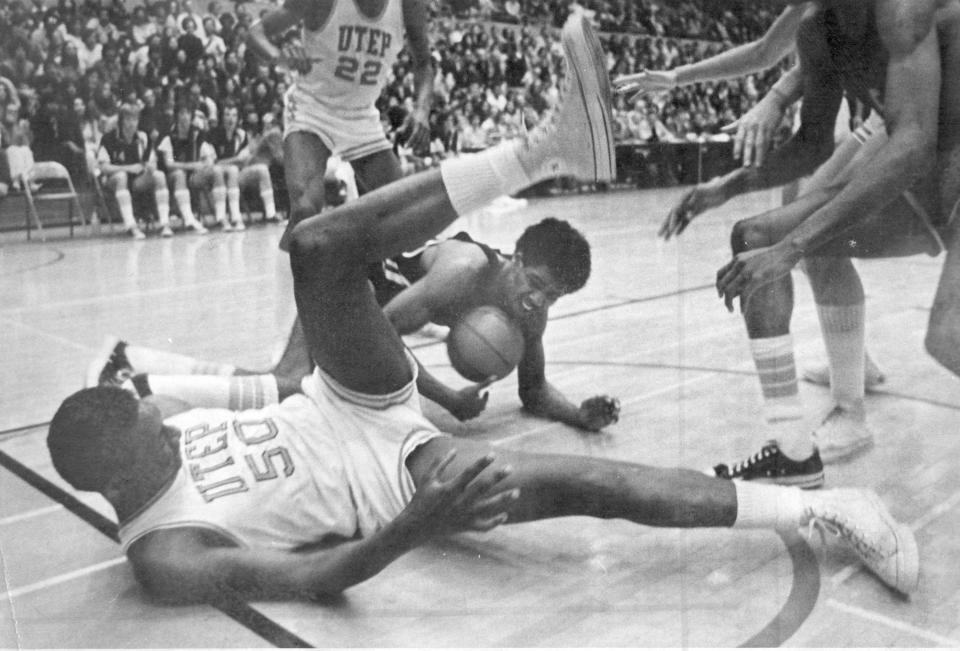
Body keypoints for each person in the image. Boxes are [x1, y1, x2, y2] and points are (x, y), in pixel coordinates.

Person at [49, 15, 915, 601]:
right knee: (589, 486)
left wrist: (151, 378)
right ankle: (824, 510)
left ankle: (549, 145)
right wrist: (411, 526)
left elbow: (263, 396)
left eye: (147, 411)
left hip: (343, 396)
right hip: (390, 482)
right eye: (148, 430)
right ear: (122, 476)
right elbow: (313, 580)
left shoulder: (141, 433)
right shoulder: (168, 555)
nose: (163, 427)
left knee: (311, 246)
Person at [657, 0, 960, 486]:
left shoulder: (904, 10)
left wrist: (794, 245)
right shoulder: (817, 28)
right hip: (929, 166)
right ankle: (794, 451)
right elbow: (812, 144)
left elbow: (913, 144)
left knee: (947, 337)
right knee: (756, 236)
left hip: (928, 158)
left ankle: (852, 385)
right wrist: (726, 187)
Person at [88, 219, 620, 430]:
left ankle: (134, 359)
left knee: (291, 383)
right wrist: (449, 400)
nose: (538, 300)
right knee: (293, 388)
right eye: (536, 282)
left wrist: (578, 415)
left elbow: (532, 390)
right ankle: (138, 381)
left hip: (367, 282)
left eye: (553, 295)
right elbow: (383, 335)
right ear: (517, 254)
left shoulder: (535, 311)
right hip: (343, 265)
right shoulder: (464, 271)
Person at [246, 0, 437, 379]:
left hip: (363, 118)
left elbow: (424, 63)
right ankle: (287, 329)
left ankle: (395, 297)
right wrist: (280, 58)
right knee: (306, 209)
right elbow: (256, 34)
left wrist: (421, 109)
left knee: (405, 218)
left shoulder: (407, 6)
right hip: (311, 110)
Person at [97, 103, 174, 239]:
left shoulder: (143, 137)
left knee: (159, 176)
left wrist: (151, 168)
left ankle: (164, 224)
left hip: (136, 179)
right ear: (121, 121)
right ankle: (131, 225)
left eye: (135, 119)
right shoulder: (108, 138)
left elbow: (151, 162)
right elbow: (103, 167)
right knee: (121, 176)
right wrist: (128, 168)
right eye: (128, 119)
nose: (131, 123)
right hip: (112, 179)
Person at [207, 99, 279, 226]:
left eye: (234, 115)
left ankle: (271, 214)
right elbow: (212, 164)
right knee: (232, 170)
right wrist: (235, 160)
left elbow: (244, 161)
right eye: (227, 115)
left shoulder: (242, 135)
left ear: (238, 118)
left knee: (262, 169)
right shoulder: (213, 135)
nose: (231, 119)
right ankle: (232, 217)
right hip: (218, 178)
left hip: (237, 176)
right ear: (222, 117)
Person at [155, 103, 224, 233]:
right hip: (171, 179)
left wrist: (206, 164)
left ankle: (221, 218)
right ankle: (188, 219)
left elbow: (208, 159)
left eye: (187, 113)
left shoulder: (198, 135)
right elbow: (169, 164)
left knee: (217, 171)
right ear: (176, 116)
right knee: (179, 174)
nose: (184, 117)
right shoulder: (168, 136)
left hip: (193, 177)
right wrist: (191, 165)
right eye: (181, 113)